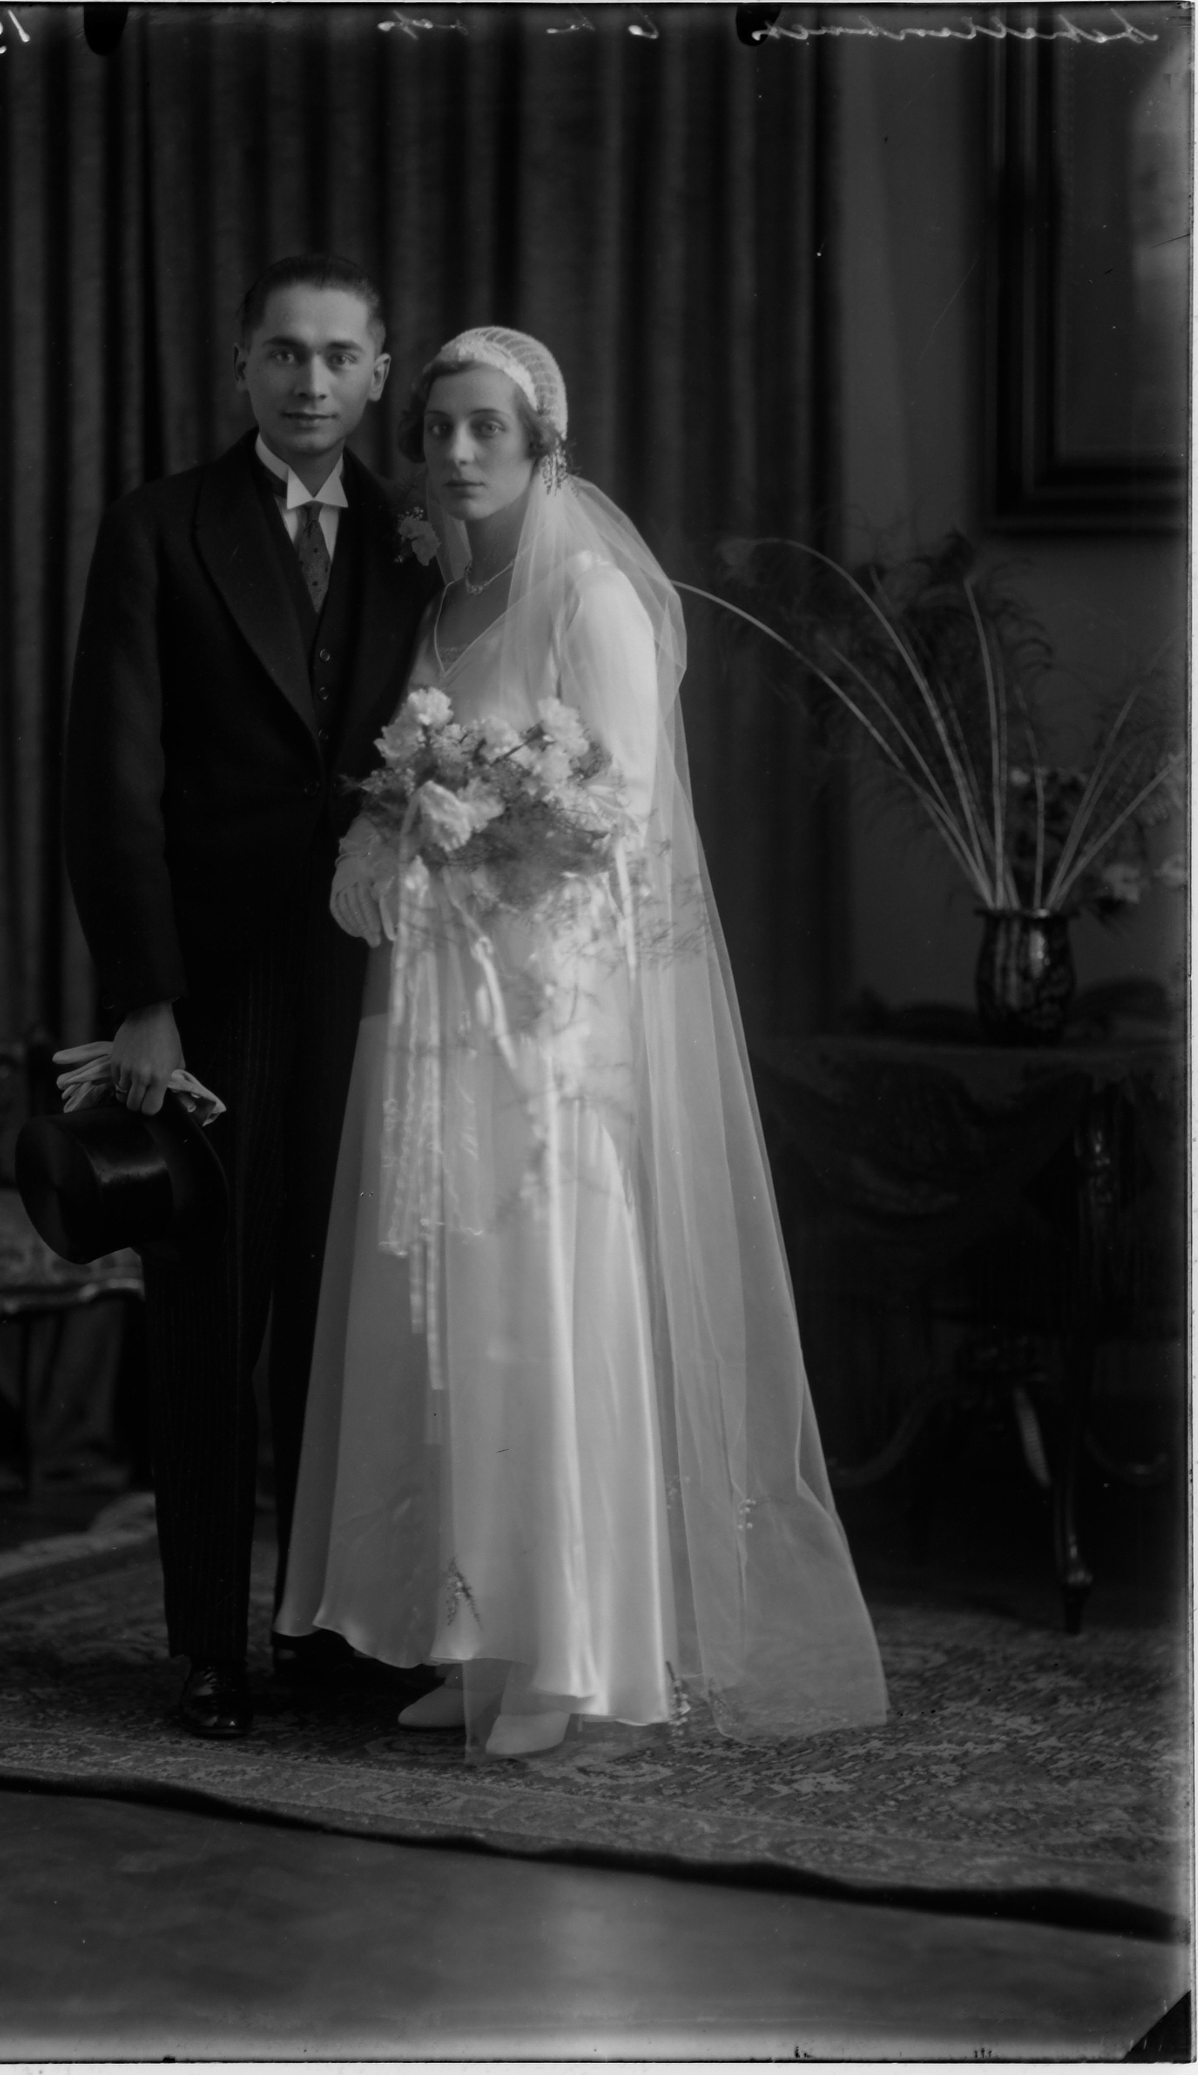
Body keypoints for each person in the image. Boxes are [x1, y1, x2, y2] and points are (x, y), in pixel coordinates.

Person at [276, 328, 889, 1758]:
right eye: (439, 428)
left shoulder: (592, 597)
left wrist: (466, 832)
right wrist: (386, 840)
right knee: (449, 1327)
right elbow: (412, 784)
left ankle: (577, 1661)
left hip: (547, 1031)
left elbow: (622, 821)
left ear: (544, 445)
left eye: (488, 427)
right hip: (435, 1019)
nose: (458, 453)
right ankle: (478, 1635)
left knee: (540, 1322)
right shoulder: (443, 607)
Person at [64, 256, 439, 1739]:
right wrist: (144, 997)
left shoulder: (417, 541)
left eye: (339, 356)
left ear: (378, 374)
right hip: (212, 984)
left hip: (376, 979)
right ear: (242, 368)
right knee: (214, 1311)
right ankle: (211, 1643)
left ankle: (334, 1634)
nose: (310, 380)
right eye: (284, 353)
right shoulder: (160, 528)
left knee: (355, 1318)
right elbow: (114, 781)